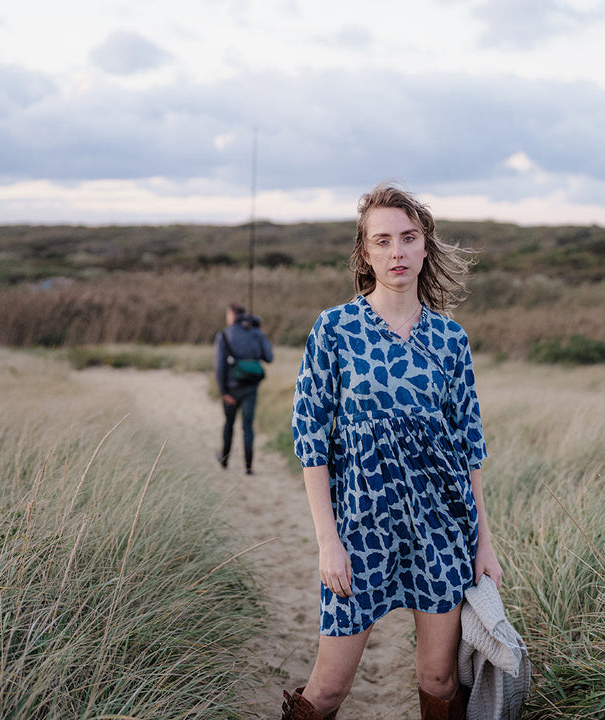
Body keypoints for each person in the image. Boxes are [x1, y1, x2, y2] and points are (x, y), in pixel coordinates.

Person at [286, 183, 502, 720]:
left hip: (440, 527)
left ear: (426, 246)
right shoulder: (334, 330)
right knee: (329, 688)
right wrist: (327, 541)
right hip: (359, 528)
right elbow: (312, 443)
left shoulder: (451, 339)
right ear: (364, 252)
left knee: (439, 677)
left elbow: (468, 448)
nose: (397, 252)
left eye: (408, 238)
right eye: (382, 241)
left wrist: (484, 543)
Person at [214, 302, 274, 475]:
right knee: (248, 426)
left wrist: (223, 391)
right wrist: (258, 332)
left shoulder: (224, 335)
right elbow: (269, 357)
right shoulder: (256, 332)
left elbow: (219, 366)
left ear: (232, 315)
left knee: (229, 424)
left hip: (231, 389)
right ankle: (249, 467)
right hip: (251, 388)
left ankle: (224, 461)